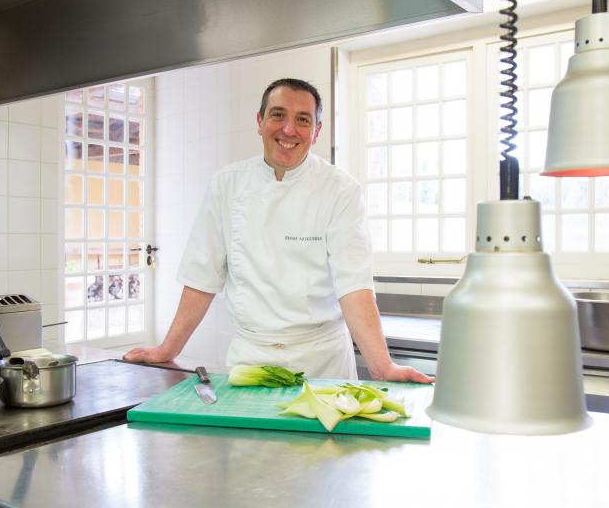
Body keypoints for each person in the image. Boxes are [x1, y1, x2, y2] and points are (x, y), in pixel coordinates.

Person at [124, 78, 432, 383]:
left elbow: (354, 287)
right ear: (259, 121)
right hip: (251, 359)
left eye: (303, 120)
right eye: (278, 115)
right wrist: (168, 349)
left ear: (317, 132)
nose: (289, 130)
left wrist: (382, 367)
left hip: (322, 362)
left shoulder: (341, 190)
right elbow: (201, 277)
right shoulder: (227, 184)